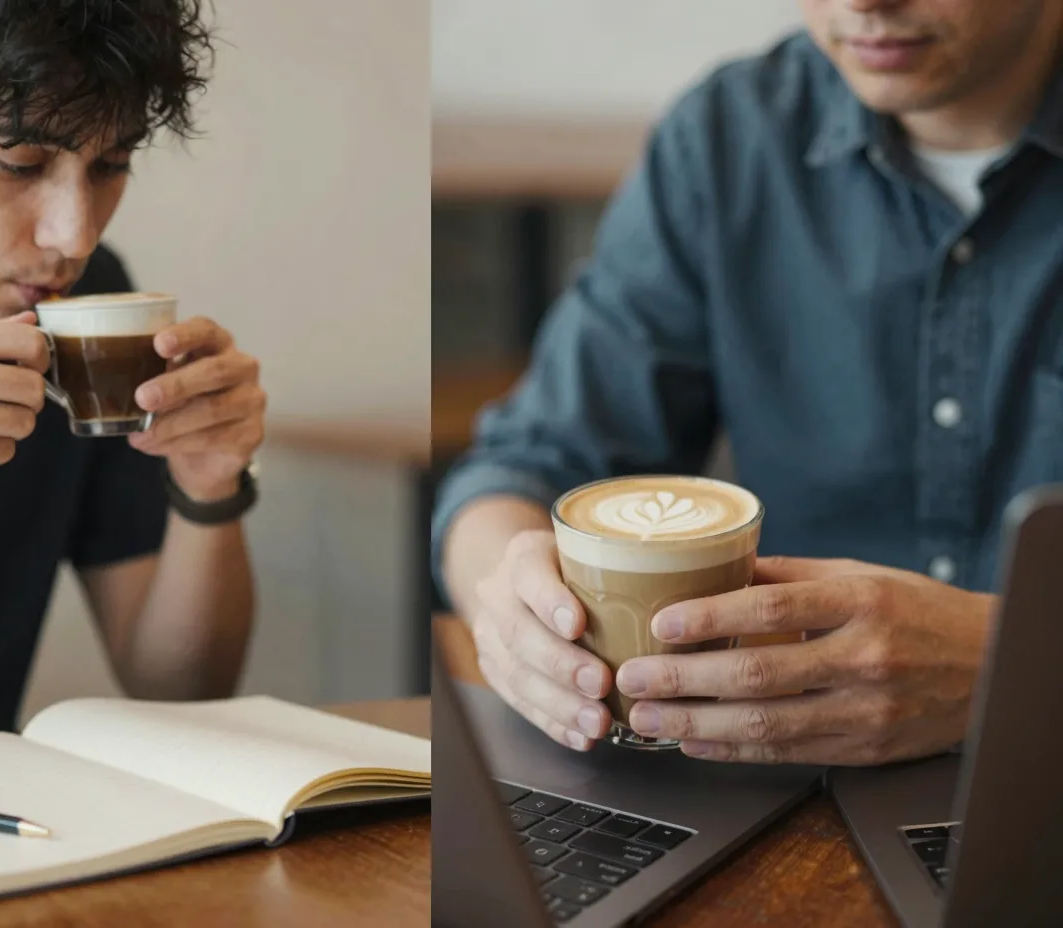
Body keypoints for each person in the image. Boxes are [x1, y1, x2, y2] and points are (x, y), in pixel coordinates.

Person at [432, 0, 1063, 767]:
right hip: (766, 782)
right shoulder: (730, 136)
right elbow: (529, 463)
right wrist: (507, 601)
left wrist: (1019, 663)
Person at [0, 0, 266, 749]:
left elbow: (179, 690)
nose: (75, 234)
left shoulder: (89, 303)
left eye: (110, 165)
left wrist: (209, 489)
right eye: (19, 163)